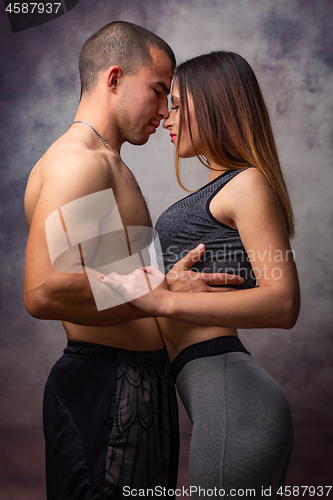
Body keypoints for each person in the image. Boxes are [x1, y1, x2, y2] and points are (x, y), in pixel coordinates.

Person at [24, 23, 242, 499]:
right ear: (115, 78)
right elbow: (45, 290)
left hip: (134, 389)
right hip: (106, 389)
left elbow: (104, 280)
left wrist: (162, 290)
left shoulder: (105, 162)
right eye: (159, 91)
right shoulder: (79, 163)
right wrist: (162, 293)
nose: (166, 112)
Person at [99, 51, 301, 499]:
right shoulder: (222, 186)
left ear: (212, 102)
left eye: (175, 104)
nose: (165, 118)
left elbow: (284, 303)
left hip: (236, 402)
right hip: (217, 397)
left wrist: (164, 300)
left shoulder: (246, 183)